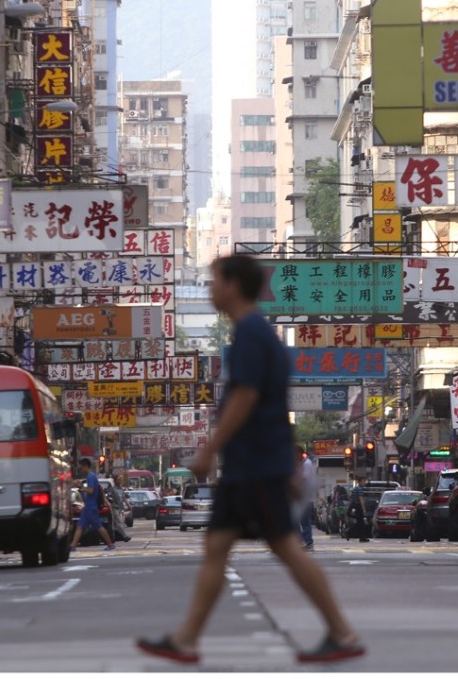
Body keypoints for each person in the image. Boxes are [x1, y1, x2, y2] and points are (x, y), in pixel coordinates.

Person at [136, 254, 364, 665]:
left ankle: (342, 632)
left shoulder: (252, 333)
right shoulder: (254, 332)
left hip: (254, 468)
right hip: (253, 465)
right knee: (219, 546)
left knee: (284, 547)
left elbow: (246, 398)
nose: (209, 289)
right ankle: (186, 639)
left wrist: (208, 450)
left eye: (214, 281)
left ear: (234, 285)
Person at [70, 457, 116, 552]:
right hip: (88, 507)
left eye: (81, 467)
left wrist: (81, 487)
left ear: (86, 466)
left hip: (91, 507)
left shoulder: (91, 477)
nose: (81, 469)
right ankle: (73, 546)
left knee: (98, 526)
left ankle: (110, 544)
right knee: (80, 526)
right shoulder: (91, 476)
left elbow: (91, 491)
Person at [295, 450, 318, 551]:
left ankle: (307, 541)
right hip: (300, 497)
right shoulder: (301, 463)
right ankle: (302, 541)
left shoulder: (307, 464)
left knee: (304, 521)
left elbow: (304, 479)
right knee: (297, 521)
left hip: (305, 498)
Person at [347, 476, 370, 542]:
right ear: (360, 482)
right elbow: (361, 499)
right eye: (363, 481)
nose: (364, 483)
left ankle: (361, 537)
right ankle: (349, 532)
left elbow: (351, 498)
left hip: (354, 507)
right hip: (358, 507)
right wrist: (364, 509)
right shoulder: (359, 489)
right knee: (360, 523)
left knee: (359, 523)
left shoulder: (355, 488)